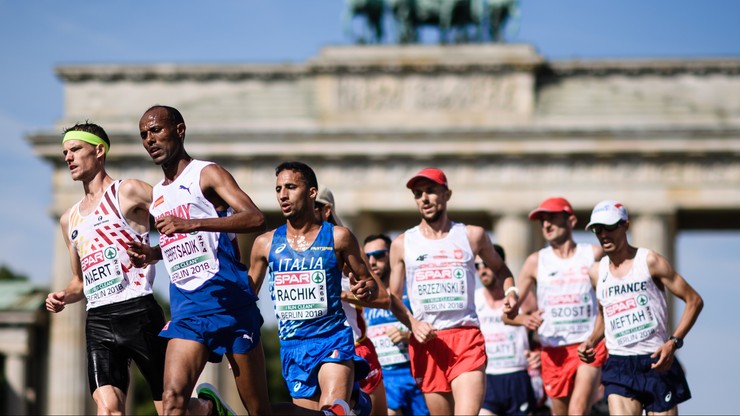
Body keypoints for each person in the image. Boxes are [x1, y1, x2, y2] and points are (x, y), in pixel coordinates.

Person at [128, 105, 271, 416]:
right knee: (172, 400)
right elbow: (181, 243)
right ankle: (208, 410)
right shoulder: (158, 193)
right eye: (143, 135)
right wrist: (153, 254)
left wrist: (193, 223)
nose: (150, 139)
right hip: (189, 310)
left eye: (156, 130)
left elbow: (255, 218)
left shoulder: (207, 173)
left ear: (179, 130)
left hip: (231, 305)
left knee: (259, 410)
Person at [46, 122, 168, 415]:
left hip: (138, 311)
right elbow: (80, 281)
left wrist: (154, 253)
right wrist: (63, 294)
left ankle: (205, 407)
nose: (68, 158)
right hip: (98, 319)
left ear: (99, 151)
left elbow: (181, 220)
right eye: (65, 152)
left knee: (171, 407)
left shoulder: (128, 191)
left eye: (76, 149)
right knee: (108, 409)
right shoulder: (69, 220)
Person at [249, 161, 384, 413]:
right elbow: (247, 297)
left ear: (311, 192)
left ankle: (348, 402)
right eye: (278, 189)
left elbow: (369, 284)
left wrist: (364, 289)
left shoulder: (338, 237)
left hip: (332, 338)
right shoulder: (264, 244)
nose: (283, 195)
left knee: (330, 411)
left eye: (291, 187)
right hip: (293, 346)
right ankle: (358, 402)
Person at [389, 167, 515, 415]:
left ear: (446, 194)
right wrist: (413, 323)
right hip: (427, 341)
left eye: (431, 191)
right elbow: (393, 299)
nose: (424, 198)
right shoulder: (402, 243)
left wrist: (512, 294)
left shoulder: (471, 235)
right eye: (418, 194)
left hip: (465, 338)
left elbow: (502, 271)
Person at [578, 200, 703, 415]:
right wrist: (591, 340)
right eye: (598, 229)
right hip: (619, 364)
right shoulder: (596, 272)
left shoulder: (650, 261)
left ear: (625, 225)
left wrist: (673, 342)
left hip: (656, 360)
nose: (603, 234)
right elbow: (604, 315)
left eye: (609, 227)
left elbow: (694, 301)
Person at [504, 197, 606, 415]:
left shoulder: (594, 254)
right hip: (553, 352)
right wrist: (523, 319)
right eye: (542, 221)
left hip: (587, 345)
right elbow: (507, 316)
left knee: (578, 411)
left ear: (571, 220)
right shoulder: (536, 261)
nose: (546, 225)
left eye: (552, 218)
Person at [315, 188, 390, 415]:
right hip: (314, 347)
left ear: (326, 210)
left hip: (356, 347)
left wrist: (344, 295)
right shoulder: (293, 250)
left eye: (312, 206)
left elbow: (384, 299)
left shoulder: (346, 249)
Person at [363, 233, 430, 416]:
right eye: (367, 257)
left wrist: (409, 337)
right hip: (384, 378)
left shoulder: (413, 291)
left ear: (391, 255)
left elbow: (436, 332)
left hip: (416, 375)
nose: (372, 261)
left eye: (379, 255)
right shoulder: (362, 298)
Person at [475, 245, 538, 416]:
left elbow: (542, 330)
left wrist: (538, 352)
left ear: (498, 264)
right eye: (477, 266)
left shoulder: (524, 299)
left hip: (517, 373)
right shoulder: (474, 300)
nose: (482, 271)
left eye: (486, 265)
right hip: (488, 375)